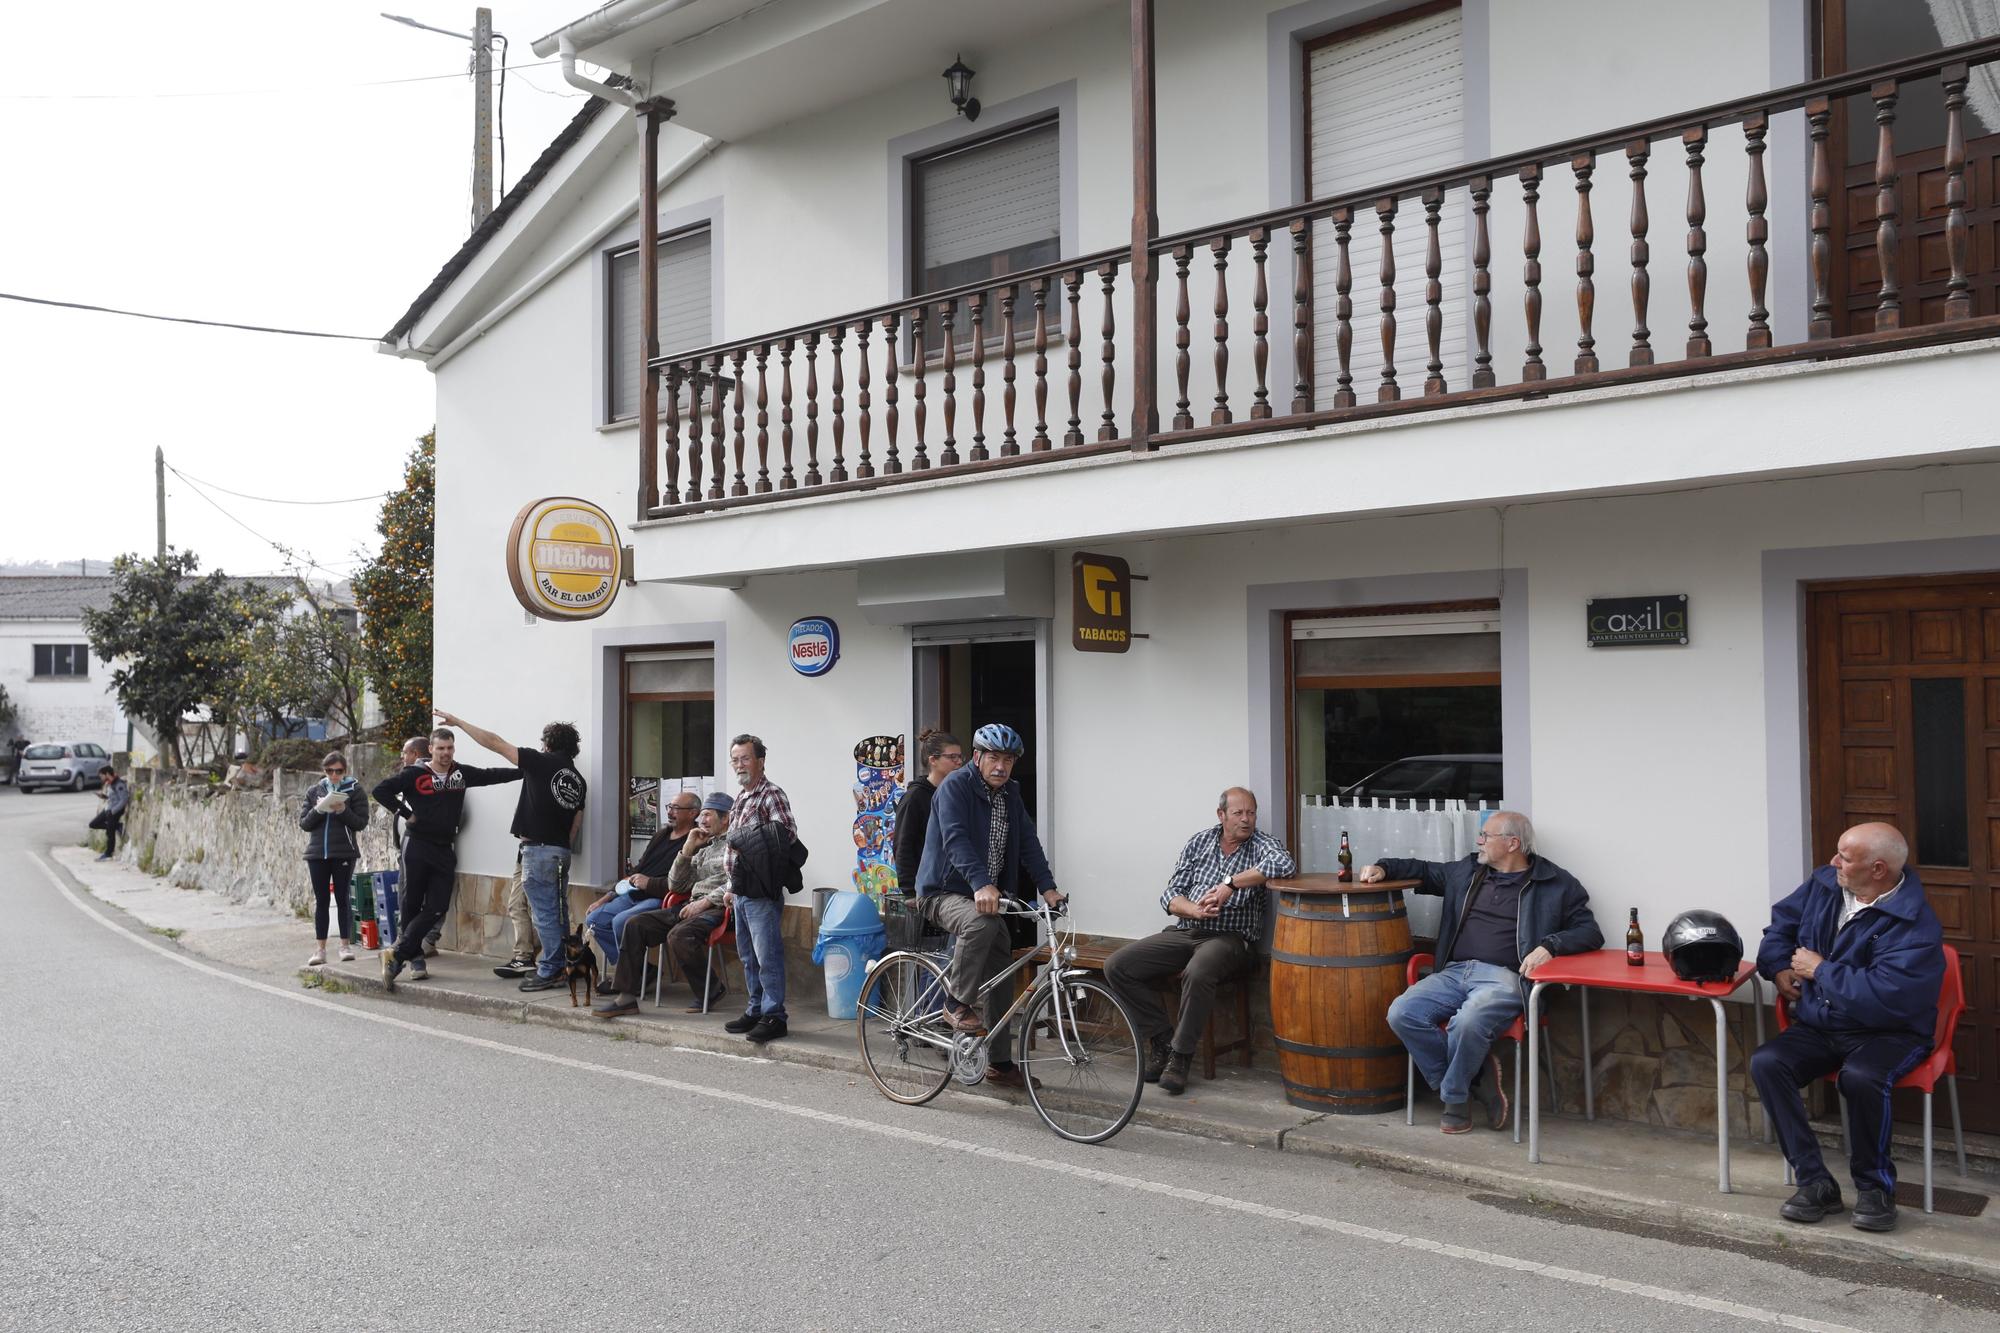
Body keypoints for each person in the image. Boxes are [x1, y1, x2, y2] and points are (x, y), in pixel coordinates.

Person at [1750, 823, 1943, 1235]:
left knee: (1861, 1077)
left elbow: (1887, 996)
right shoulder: (1824, 885)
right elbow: (1780, 928)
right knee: (1768, 1062)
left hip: (1891, 1031)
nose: (1833, 862)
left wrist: (1821, 969)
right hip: (1824, 1021)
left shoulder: (1915, 924)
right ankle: (1816, 1182)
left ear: (1877, 869)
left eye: (1845, 857)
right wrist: (1780, 966)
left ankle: (1875, 1188)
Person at [1362, 811, 1602, 1135]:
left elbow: (1589, 931)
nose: (1479, 841)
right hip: (1455, 971)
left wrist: (1551, 945)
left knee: (1469, 1020)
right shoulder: (1467, 872)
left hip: (1506, 977)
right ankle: (1477, 1078)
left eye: (1486, 836)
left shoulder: (1555, 884)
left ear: (1512, 843)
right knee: (1401, 1012)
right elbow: (1422, 870)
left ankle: (1456, 1099)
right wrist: (1383, 867)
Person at [1103, 787, 1295, 1096]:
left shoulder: (1262, 845)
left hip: (1232, 939)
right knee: (1118, 965)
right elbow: (1170, 893)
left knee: (1199, 970)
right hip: (1187, 930)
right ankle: (1163, 1040)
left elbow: (1285, 865)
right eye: (1238, 813)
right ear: (1221, 815)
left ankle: (1180, 1057)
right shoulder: (1199, 842)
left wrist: (1229, 885)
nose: (1246, 820)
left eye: (1251, 813)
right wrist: (1193, 909)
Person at [915, 722, 1063, 1090]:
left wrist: (1048, 888)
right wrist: (981, 883)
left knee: (1002, 971)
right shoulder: (955, 787)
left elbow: (1028, 841)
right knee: (979, 925)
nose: (1001, 766)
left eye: (1009, 760)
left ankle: (999, 1062)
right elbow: (956, 839)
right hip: (942, 891)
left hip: (988, 898)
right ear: (977, 757)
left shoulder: (1011, 793)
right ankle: (955, 1003)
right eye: (994, 757)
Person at [431, 710, 588, 994]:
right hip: (559, 851)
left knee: (545, 915)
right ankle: (563, 965)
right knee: (559, 912)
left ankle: (551, 969)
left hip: (539, 851)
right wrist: (559, 847)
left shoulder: (542, 762)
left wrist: (461, 724)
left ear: (548, 744)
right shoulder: (577, 778)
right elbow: (576, 822)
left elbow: (495, 742)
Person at [370, 726, 519, 990]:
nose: (445, 753)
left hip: (443, 848)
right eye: (440, 748)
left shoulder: (459, 774)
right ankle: (413, 959)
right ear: (431, 750)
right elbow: (380, 790)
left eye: (450, 748)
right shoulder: (415, 774)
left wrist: (525, 770)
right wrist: (406, 814)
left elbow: (491, 776)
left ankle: (397, 953)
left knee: (438, 906)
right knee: (411, 904)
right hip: (416, 846)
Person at [593, 791, 734, 1019]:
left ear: (725, 818)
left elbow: (736, 881)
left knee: (679, 935)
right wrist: (688, 849)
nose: (702, 821)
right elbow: (676, 885)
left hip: (720, 908)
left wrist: (706, 902)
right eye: (703, 816)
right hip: (691, 905)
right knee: (635, 924)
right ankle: (627, 997)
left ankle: (711, 989)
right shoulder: (706, 845)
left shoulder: (735, 845)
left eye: (707, 815)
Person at [574, 790, 700, 986]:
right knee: (595, 919)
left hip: (660, 899)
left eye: (676, 808)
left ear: (693, 813)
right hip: (633, 894)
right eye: (669, 807)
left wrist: (648, 883)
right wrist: (606, 897)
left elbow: (684, 884)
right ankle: (641, 970)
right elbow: (638, 869)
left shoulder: (696, 842)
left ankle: (627, 980)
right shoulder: (661, 835)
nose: (670, 812)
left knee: (621, 922)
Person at [720, 734, 799, 1043]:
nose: (740, 764)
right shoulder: (740, 797)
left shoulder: (771, 794)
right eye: (735, 759)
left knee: (768, 956)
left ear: (760, 761)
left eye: (745, 758)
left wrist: (751, 841)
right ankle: (755, 1009)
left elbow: (786, 834)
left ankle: (774, 1015)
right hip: (740, 890)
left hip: (761, 890)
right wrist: (730, 887)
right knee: (748, 957)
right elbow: (731, 849)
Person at [298, 750, 369, 967]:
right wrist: (319, 809)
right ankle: (320, 950)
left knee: (342, 898)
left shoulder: (355, 791)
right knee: (322, 901)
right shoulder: (314, 791)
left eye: (338, 771)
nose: (334, 775)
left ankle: (345, 946)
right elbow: (304, 823)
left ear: (345, 771)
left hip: (344, 852)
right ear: (324, 771)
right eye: (329, 771)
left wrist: (343, 810)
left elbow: (360, 822)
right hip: (317, 853)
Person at [893, 730, 963, 892]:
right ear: (933, 760)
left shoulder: (956, 794)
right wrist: (910, 890)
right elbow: (903, 846)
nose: (959, 762)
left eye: (960, 757)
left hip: (953, 888)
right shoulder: (914, 797)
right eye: (952, 757)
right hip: (924, 890)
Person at [93, 765, 130, 861]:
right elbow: (113, 798)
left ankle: (108, 853)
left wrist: (113, 812)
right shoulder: (109, 783)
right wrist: (104, 796)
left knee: (110, 833)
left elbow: (123, 800)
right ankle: (117, 826)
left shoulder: (119, 784)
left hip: (114, 811)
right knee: (93, 824)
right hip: (108, 810)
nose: (101, 778)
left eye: (101, 775)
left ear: (107, 774)